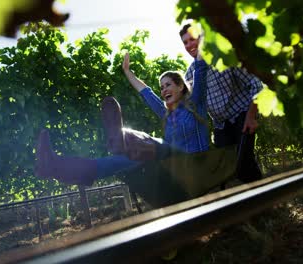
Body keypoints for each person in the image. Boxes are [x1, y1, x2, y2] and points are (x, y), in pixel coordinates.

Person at [35, 51, 209, 187]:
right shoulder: (167, 114)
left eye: (168, 85)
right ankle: (54, 166)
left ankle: (122, 137)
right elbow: (146, 92)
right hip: (173, 168)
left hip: (195, 164)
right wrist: (127, 71)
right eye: (161, 87)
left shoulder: (195, 105)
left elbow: (200, 71)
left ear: (180, 86)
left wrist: (202, 40)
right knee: (121, 160)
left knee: (153, 145)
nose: (163, 90)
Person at [180, 23, 263, 183]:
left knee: (243, 161)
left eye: (192, 39)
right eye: (185, 42)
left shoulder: (225, 58)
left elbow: (255, 84)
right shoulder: (190, 73)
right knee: (230, 167)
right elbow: (188, 108)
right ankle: (260, 200)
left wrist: (251, 116)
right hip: (220, 124)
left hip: (242, 113)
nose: (189, 45)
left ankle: (264, 202)